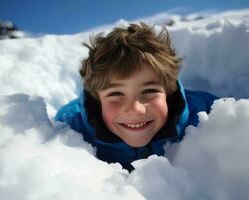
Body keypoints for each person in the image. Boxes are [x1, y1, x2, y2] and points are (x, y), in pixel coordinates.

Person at [55, 23, 217, 171]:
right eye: (116, 93)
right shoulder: (71, 128)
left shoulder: (207, 113)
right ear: (97, 100)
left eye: (148, 91)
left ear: (168, 92)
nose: (135, 109)